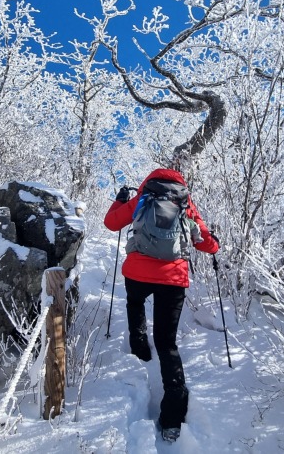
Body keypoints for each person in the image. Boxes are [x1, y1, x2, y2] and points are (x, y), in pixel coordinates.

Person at [103, 165, 220, 442]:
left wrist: (120, 201)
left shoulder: (143, 197)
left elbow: (111, 223)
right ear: (180, 183)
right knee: (167, 344)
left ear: (150, 180)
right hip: (173, 277)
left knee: (135, 303)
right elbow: (204, 241)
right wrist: (214, 244)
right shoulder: (184, 201)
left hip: (138, 271)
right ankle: (172, 418)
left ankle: (140, 348)